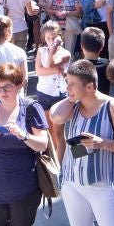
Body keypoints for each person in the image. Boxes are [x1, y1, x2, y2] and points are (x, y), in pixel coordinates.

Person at [49, 59, 114, 226]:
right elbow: (55, 117)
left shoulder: (112, 106)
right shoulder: (73, 105)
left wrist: (102, 143)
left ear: (89, 87)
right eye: (67, 82)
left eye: (72, 84)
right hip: (72, 183)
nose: (67, 88)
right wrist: (70, 98)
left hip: (104, 186)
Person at [0, 63, 50, 226]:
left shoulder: (31, 109)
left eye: (7, 87)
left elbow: (43, 144)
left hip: (24, 191)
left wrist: (24, 135)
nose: (2, 92)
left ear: (19, 85)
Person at [34, 20, 71, 159]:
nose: (51, 40)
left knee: (59, 133)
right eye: (48, 38)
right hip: (44, 93)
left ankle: (61, 163)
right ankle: (52, 158)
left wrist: (55, 47)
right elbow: (39, 71)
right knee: (48, 130)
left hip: (59, 95)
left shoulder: (65, 53)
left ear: (59, 36)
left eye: (54, 37)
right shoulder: (41, 50)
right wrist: (53, 70)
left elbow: (49, 64)